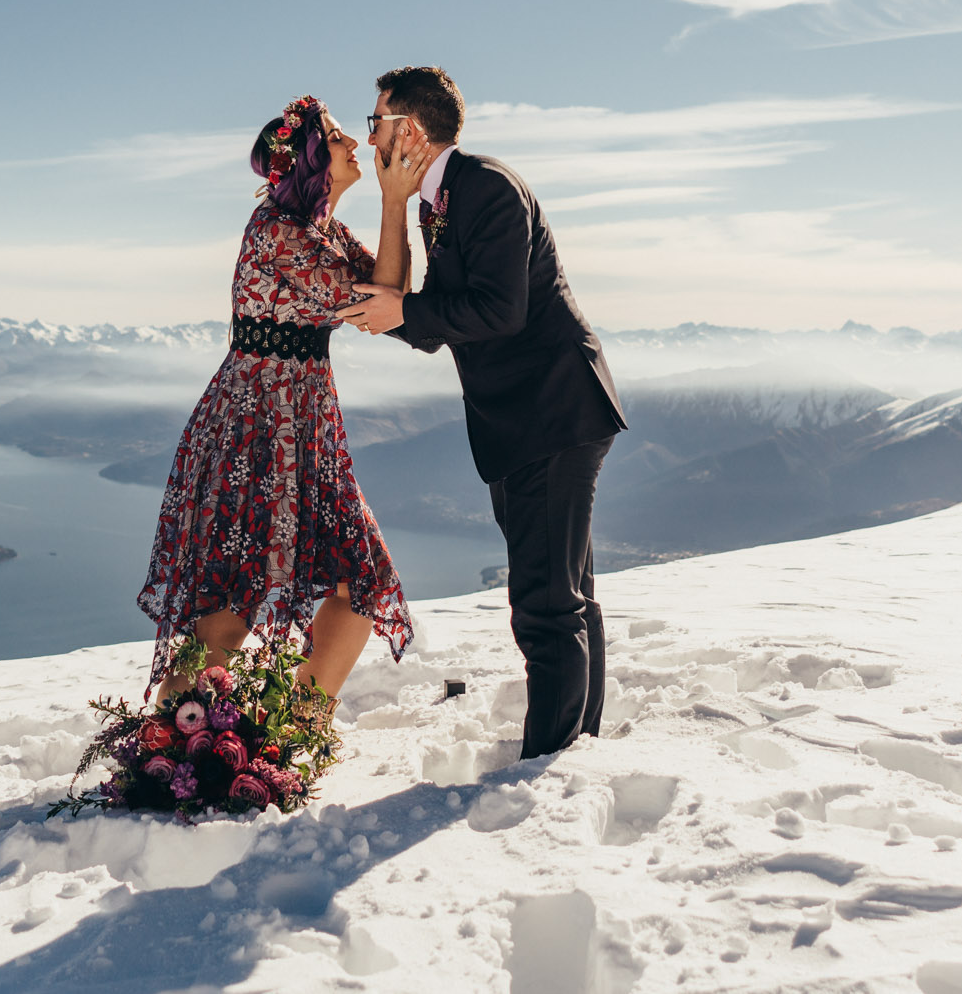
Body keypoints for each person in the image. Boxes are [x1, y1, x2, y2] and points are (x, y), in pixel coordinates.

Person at [337, 66, 628, 759]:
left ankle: (548, 763)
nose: (368, 138)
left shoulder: (488, 188)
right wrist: (393, 307)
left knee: (546, 605)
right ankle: (574, 750)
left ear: (410, 131)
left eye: (376, 122)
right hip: (533, 418)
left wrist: (402, 310)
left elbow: (500, 310)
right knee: (566, 593)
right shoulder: (441, 200)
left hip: (551, 413)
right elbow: (440, 322)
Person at [138, 95, 432, 703]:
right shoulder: (278, 232)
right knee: (230, 611)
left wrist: (396, 202)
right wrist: (394, 200)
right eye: (338, 137)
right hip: (256, 431)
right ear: (310, 161)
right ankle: (178, 737)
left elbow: (391, 298)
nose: (354, 144)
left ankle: (296, 727)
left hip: (304, 430)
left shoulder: (322, 232)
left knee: (361, 578)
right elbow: (375, 301)